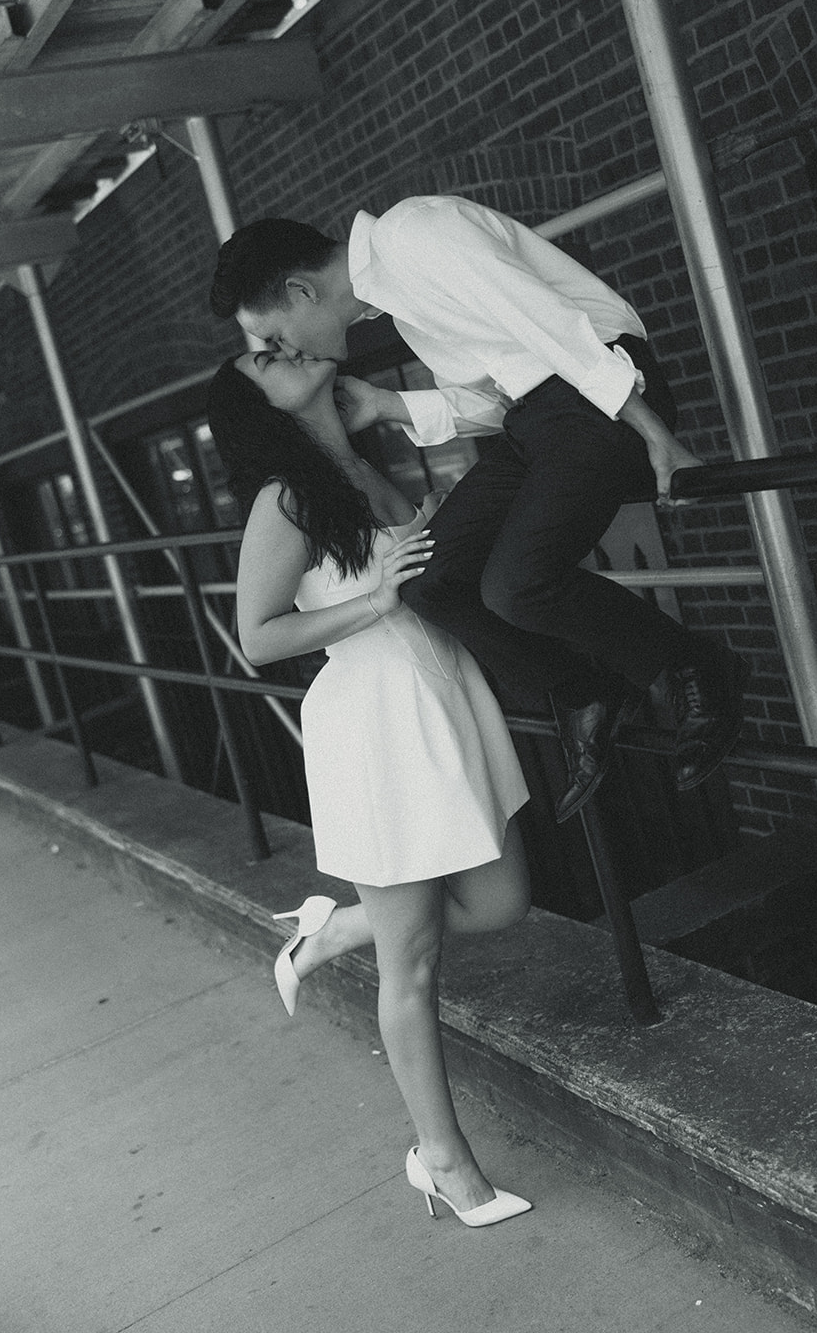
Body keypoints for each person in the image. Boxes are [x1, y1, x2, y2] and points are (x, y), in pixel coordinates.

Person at [209, 194, 748, 822]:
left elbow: (550, 327)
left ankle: (695, 666)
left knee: (516, 585)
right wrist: (389, 406)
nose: (289, 348)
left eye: (275, 335)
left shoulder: (415, 234)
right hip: (540, 421)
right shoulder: (399, 300)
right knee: (432, 582)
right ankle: (584, 691)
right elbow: (500, 396)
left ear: (301, 291)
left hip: (602, 398)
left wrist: (656, 434)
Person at [206, 348, 533, 1229]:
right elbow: (260, 638)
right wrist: (375, 599)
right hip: (376, 719)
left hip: (446, 693)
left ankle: (337, 925)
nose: (291, 349)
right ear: (260, 405)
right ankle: (443, 1161)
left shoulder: (361, 460)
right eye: (267, 358)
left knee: (502, 900)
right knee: (412, 964)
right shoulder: (287, 498)